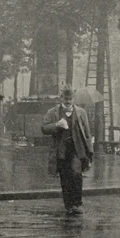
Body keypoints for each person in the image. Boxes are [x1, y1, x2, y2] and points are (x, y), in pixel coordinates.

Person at [42, 86, 93, 215]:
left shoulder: (81, 113)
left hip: (77, 149)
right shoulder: (53, 112)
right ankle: (68, 204)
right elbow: (44, 128)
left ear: (73, 99)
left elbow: (87, 134)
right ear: (61, 98)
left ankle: (77, 203)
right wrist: (56, 125)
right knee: (65, 177)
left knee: (76, 174)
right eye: (66, 98)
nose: (68, 101)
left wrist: (90, 153)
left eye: (70, 99)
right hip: (62, 149)